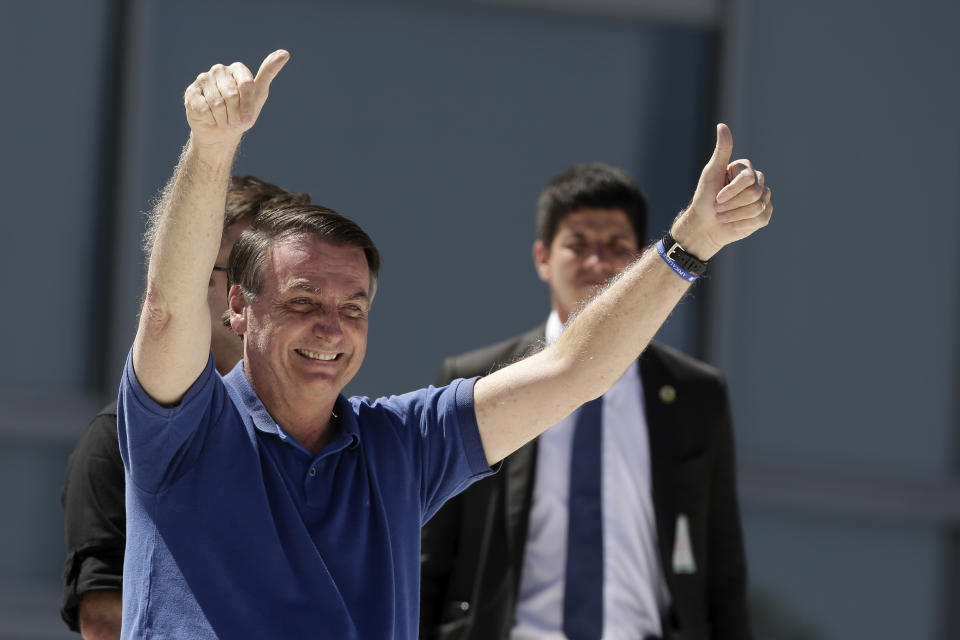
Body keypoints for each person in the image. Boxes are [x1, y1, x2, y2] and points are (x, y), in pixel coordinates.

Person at [117, 49, 771, 639]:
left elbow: (573, 369)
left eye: (353, 307)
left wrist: (690, 246)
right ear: (238, 305)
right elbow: (167, 312)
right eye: (301, 302)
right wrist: (211, 147)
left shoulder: (400, 444)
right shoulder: (182, 430)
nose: (331, 327)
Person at [420, 164, 755, 640]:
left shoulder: (695, 394)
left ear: (643, 260)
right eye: (578, 244)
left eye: (618, 248)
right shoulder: (481, 380)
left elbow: (721, 567)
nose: (598, 264)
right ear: (542, 258)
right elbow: (430, 561)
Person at [60, 175, 310, 639]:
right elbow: (104, 618)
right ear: (192, 277)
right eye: (244, 270)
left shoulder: (322, 428)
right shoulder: (117, 436)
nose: (266, 293)